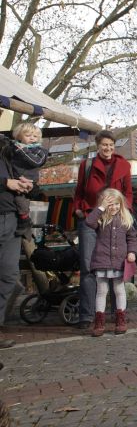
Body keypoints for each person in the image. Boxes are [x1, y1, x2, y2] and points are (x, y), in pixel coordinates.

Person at [73, 130, 132, 329]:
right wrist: (78, 209)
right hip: (91, 216)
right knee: (88, 266)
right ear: (98, 146)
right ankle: (87, 315)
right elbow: (79, 190)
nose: (108, 148)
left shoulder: (124, 165)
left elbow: (128, 193)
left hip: (115, 217)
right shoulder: (87, 165)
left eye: (111, 145)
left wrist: (125, 213)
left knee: (117, 266)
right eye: (104, 145)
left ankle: (117, 313)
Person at [85, 189, 137, 336]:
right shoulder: (100, 218)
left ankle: (121, 320)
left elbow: (132, 238)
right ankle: (99, 321)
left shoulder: (126, 219)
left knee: (119, 290)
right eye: (110, 204)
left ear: (121, 204)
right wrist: (101, 207)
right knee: (101, 291)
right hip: (101, 260)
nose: (114, 207)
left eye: (116, 204)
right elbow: (89, 222)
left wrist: (132, 252)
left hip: (119, 261)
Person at [0, 134, 31, 348]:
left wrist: (27, 185)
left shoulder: (7, 149)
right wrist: (5, 183)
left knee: (9, 275)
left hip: (11, 218)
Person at [8, 123, 48, 228]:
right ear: (19, 136)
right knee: (13, 200)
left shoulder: (40, 150)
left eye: (35, 136)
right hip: (14, 179)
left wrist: (22, 150)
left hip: (29, 180)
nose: (32, 138)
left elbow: (36, 161)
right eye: (28, 135)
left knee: (20, 200)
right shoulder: (14, 148)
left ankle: (24, 219)